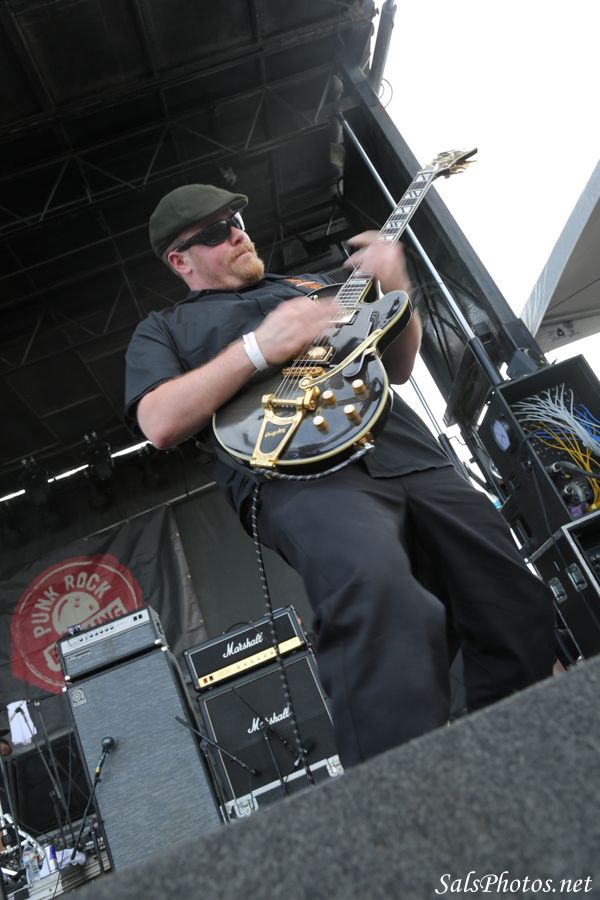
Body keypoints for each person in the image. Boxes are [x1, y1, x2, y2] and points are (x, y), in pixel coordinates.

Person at [124, 184, 555, 767]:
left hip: (408, 453)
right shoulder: (164, 330)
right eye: (216, 232)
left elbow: (398, 367)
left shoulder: (313, 287)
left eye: (237, 219)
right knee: (377, 594)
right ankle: (400, 797)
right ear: (181, 261)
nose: (238, 234)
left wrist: (397, 287)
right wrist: (259, 347)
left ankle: (521, 771)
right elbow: (158, 421)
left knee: (513, 600)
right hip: (299, 476)